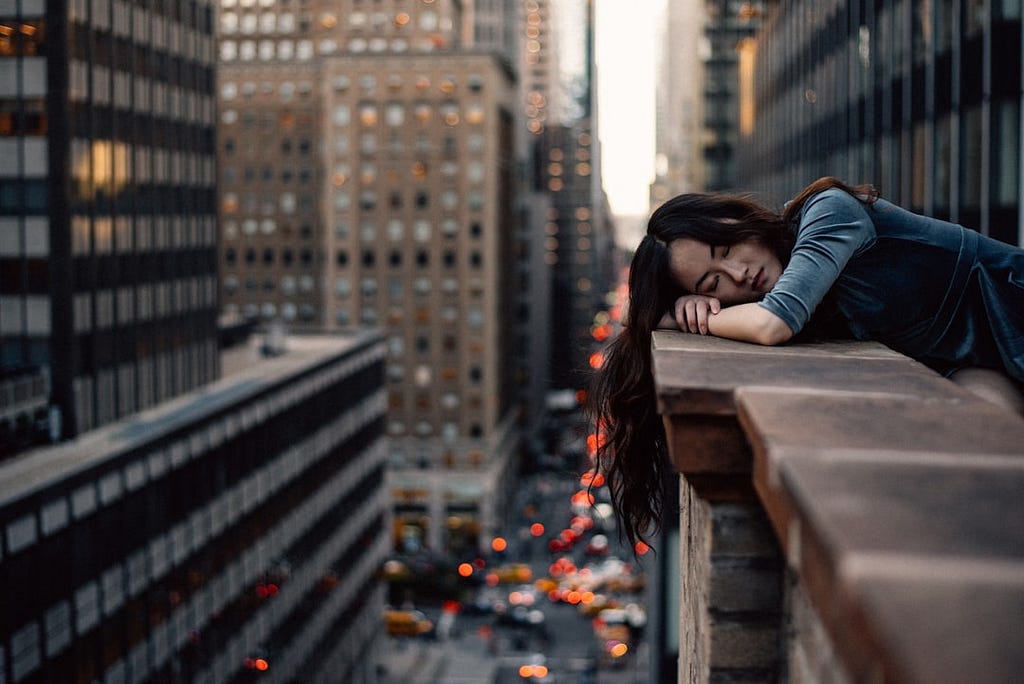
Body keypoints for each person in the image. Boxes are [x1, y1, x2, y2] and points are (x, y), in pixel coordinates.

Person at [587, 176, 1024, 549]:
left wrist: (678, 317)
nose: (739, 274)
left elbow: (773, 323)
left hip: (1013, 313)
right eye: (713, 283)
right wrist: (677, 308)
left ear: (738, 218)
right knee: (984, 448)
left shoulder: (828, 212)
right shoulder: (799, 290)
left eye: (726, 248)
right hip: (975, 361)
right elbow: (630, 314)